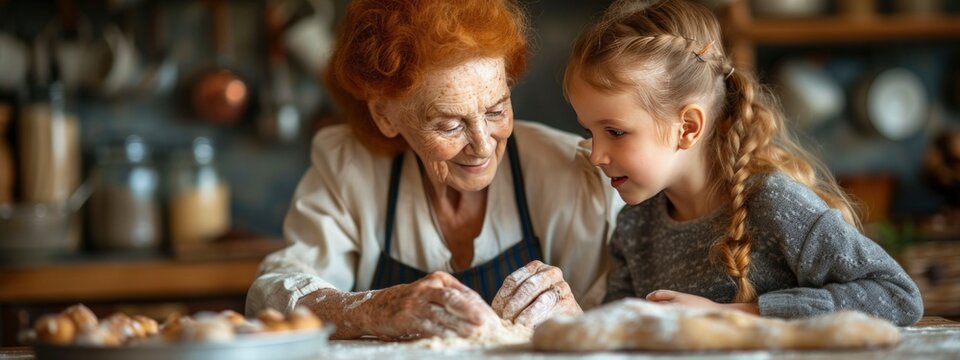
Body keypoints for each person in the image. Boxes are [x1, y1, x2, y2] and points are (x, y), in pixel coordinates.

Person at [246, 0, 624, 340]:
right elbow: (272, 293)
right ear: (385, 114)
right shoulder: (351, 167)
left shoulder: (571, 172)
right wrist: (371, 310)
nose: (483, 144)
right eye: (449, 124)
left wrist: (580, 320)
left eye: (496, 110)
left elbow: (632, 316)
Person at [565, 0, 923, 326]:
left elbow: (897, 296)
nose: (596, 155)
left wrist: (730, 314)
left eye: (615, 131)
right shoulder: (634, 227)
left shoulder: (775, 203)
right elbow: (620, 334)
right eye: (590, 132)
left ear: (687, 128)